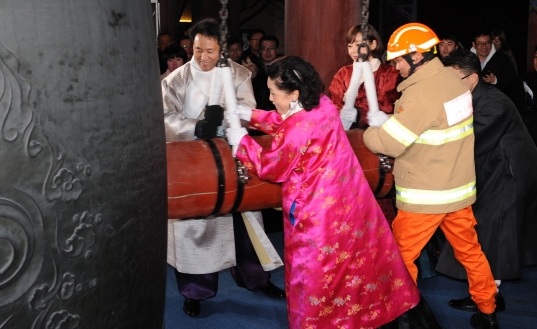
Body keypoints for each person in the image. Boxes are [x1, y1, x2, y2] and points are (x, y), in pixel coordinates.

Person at [225, 56, 419, 329]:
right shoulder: (323, 104)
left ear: (294, 93)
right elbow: (287, 120)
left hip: (316, 213)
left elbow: (271, 167)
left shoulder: (297, 127)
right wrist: (252, 117)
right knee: (355, 265)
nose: (270, 98)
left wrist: (242, 142)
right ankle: (366, 316)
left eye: (273, 93)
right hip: (349, 201)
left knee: (315, 274)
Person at [363, 23, 499, 329]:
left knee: (399, 260)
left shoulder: (421, 93)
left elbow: (389, 143)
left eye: (398, 60)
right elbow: (434, 128)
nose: (395, 67)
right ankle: (488, 310)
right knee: (471, 252)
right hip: (457, 191)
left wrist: (371, 131)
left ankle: (399, 316)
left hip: (425, 197)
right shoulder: (453, 83)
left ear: (416, 55)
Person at [161, 18, 284, 318]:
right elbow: (164, 117)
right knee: (194, 228)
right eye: (198, 50)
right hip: (192, 162)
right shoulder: (175, 80)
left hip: (231, 159)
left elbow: (245, 111)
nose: (203, 57)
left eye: (211, 51)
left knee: (245, 225)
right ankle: (195, 292)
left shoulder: (238, 74)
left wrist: (223, 123)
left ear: (222, 51)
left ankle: (256, 279)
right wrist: (196, 127)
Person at [436, 50, 537, 313]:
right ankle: (486, 293)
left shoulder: (496, 103)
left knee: (495, 231)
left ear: (472, 78)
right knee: (483, 229)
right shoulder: (463, 96)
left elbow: (469, 137)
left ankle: (489, 298)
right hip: (490, 169)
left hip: (510, 173)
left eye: (452, 78)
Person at [329, 24, 400, 130]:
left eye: (358, 45)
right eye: (350, 46)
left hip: (376, 136)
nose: (353, 50)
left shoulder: (390, 74)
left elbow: (386, 107)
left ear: (373, 45)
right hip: (347, 136)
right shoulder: (343, 74)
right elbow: (335, 105)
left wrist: (357, 114)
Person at [250, 35, 280, 111]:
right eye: (264, 48)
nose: (267, 52)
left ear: (277, 50)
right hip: (257, 112)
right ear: (260, 50)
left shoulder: (282, 69)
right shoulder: (254, 69)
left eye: (271, 48)